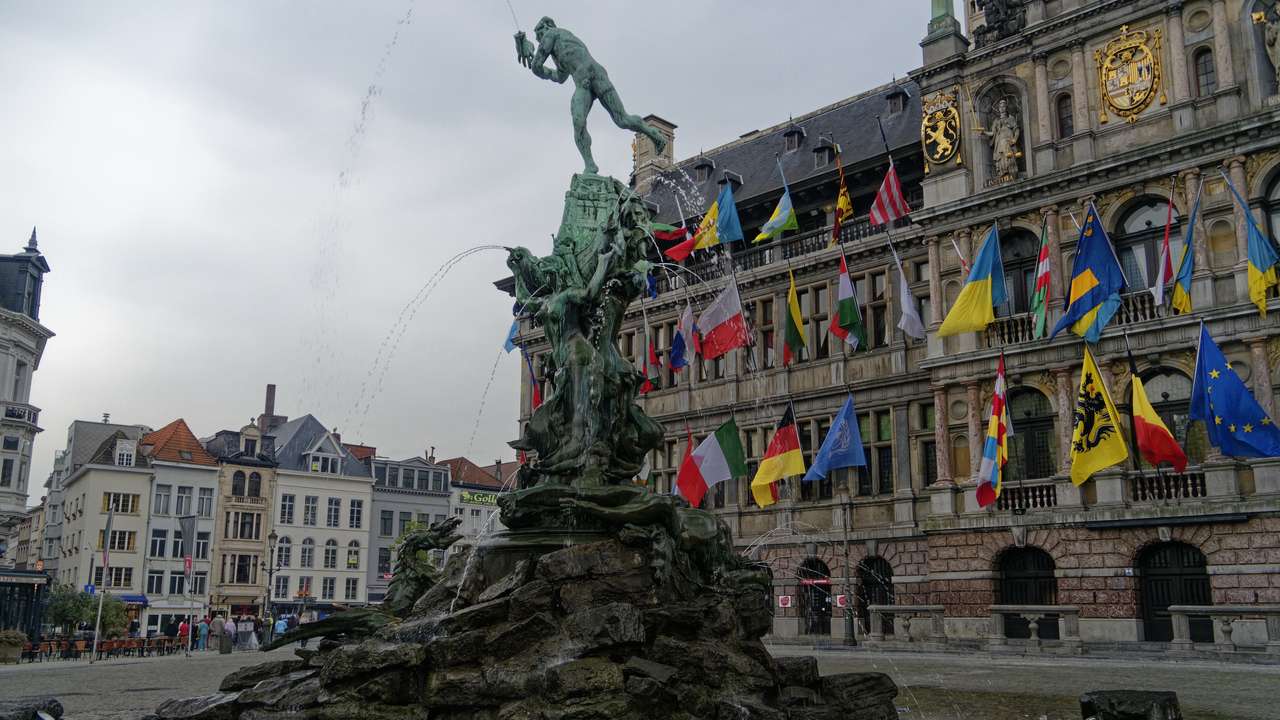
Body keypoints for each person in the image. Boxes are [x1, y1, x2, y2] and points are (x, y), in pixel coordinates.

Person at [514, 17, 667, 175]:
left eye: (539, 33)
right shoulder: (558, 57)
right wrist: (534, 61)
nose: (539, 37)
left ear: (547, 27)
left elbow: (539, 62)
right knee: (578, 122)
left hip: (595, 74)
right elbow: (558, 77)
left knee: (622, 120)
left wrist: (525, 48)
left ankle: (652, 133)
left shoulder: (552, 33)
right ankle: (590, 165)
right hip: (583, 84)